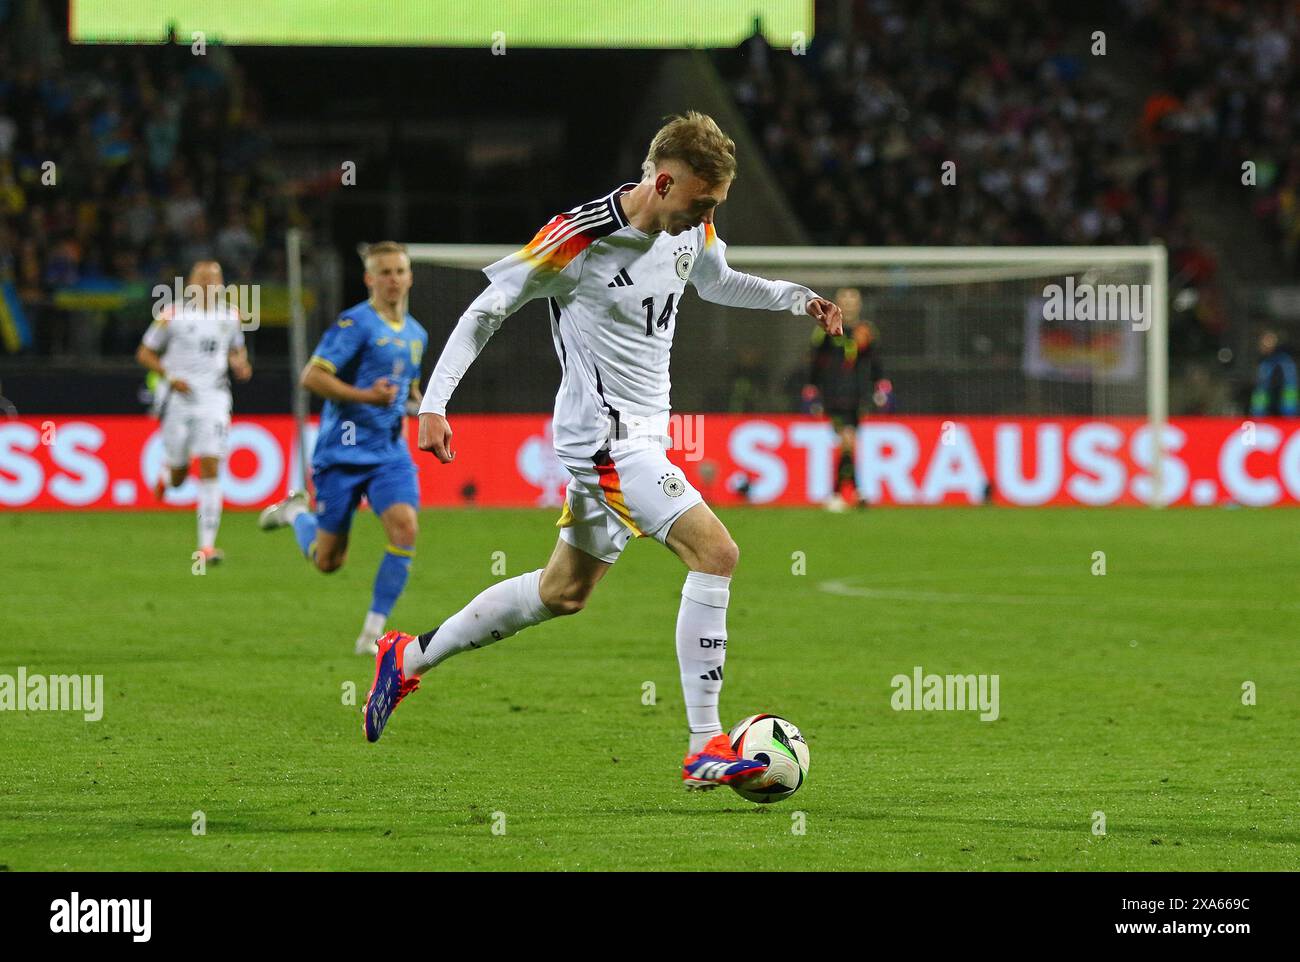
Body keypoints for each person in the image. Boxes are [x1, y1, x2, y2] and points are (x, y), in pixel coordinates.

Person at [360, 112, 844, 792]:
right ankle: (704, 741)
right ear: (664, 179)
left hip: (645, 435)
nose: (707, 216)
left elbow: (717, 279)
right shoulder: (579, 238)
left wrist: (798, 300)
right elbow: (487, 311)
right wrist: (435, 404)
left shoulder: (690, 225)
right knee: (718, 553)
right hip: (605, 443)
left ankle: (405, 658)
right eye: (702, 202)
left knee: (563, 592)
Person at [258, 242, 429, 655]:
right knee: (328, 562)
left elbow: (411, 389)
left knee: (405, 527)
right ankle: (297, 513)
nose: (393, 279)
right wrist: (366, 396)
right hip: (342, 453)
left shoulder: (416, 334)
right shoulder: (354, 325)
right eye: (384, 272)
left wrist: (425, 408)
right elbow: (311, 377)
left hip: (389, 454)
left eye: (399, 271)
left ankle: (372, 633)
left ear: (409, 276)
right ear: (370, 279)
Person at [136, 260, 252, 564]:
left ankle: (207, 547)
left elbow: (236, 348)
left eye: (213, 281)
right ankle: (167, 473)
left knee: (211, 464)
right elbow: (145, 352)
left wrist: (240, 363)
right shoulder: (172, 315)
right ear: (189, 285)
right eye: (201, 281)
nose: (207, 287)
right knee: (179, 476)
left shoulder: (231, 316)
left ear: (221, 285)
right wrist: (170, 376)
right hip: (178, 399)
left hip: (214, 397)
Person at [807, 287, 891, 510]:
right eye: (845, 298)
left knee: (848, 444)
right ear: (837, 302)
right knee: (848, 440)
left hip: (858, 395)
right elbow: (816, 363)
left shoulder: (866, 331)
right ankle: (848, 491)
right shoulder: (824, 329)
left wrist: (880, 387)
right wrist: (813, 391)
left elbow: (875, 363)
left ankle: (845, 492)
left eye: (854, 299)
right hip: (833, 395)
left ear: (859, 304)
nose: (850, 303)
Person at [1249, 329, 1298, 417]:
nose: (1263, 346)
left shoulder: (1283, 362)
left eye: (1267, 342)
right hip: (1266, 413)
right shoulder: (1264, 362)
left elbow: (1289, 387)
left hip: (1280, 414)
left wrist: (1289, 414)